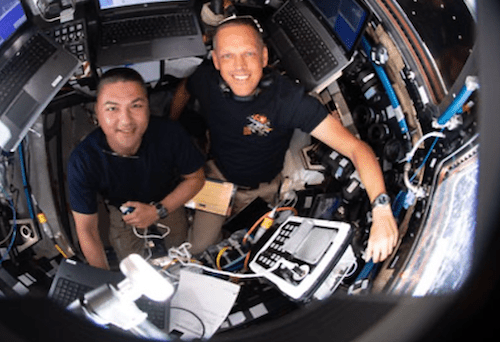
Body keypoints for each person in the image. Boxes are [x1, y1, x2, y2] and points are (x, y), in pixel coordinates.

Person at [170, 16, 399, 263]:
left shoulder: (289, 100)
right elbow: (186, 87)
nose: (239, 67)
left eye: (248, 54)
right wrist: (171, 121)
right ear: (215, 60)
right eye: (227, 56)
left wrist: (382, 210)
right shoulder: (205, 80)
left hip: (263, 191)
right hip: (217, 176)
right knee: (197, 250)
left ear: (264, 57)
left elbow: (356, 149)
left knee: (248, 254)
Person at [68, 67, 206, 269]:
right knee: (130, 264)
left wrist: (158, 211)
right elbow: (87, 230)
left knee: (180, 254)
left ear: (148, 107)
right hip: (122, 212)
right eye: (112, 108)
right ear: (96, 111)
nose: (125, 121)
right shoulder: (83, 160)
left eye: (136, 106)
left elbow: (196, 178)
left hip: (168, 202)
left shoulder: (170, 134)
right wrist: (103, 281)